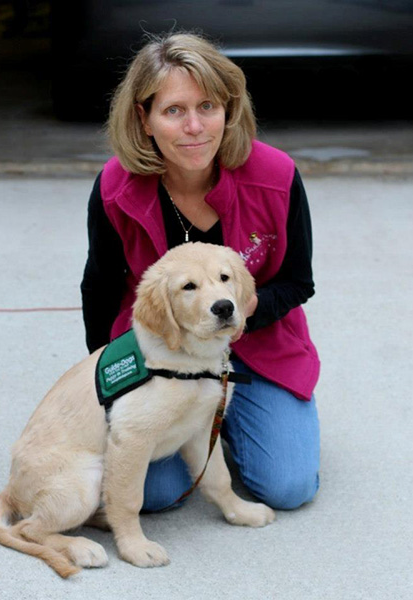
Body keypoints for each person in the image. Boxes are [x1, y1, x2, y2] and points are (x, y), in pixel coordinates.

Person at [81, 32, 320, 512]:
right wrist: (104, 380)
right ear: (143, 119)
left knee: (288, 488)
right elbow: (100, 287)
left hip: (256, 345)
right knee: (153, 495)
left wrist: (252, 306)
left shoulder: (276, 175)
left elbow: (298, 281)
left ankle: (232, 416)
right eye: (173, 110)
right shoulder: (114, 188)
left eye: (207, 106)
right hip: (162, 349)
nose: (194, 127)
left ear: (228, 110)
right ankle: (203, 414)